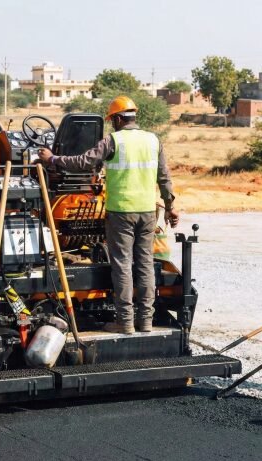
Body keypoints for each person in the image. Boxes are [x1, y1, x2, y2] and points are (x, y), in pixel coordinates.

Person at [38, 96, 179, 334]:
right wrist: (171, 205)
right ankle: (145, 321)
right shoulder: (153, 140)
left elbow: (83, 161)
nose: (113, 124)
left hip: (121, 212)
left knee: (122, 265)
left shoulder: (114, 140)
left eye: (113, 120)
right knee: (144, 264)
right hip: (147, 211)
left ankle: (125, 322)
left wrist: (52, 159)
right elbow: (164, 177)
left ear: (118, 118)